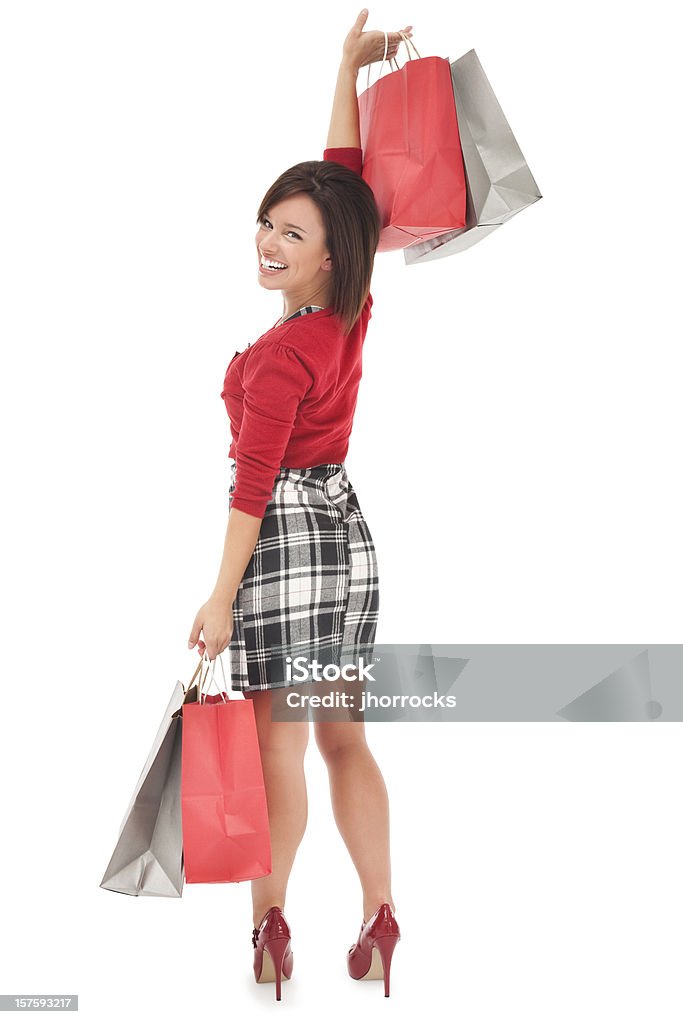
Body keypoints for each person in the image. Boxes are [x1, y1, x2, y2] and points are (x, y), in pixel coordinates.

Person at [187, 10, 414, 1001]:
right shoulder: (347, 313)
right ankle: (379, 915)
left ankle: (269, 929)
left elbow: (249, 485)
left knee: (276, 751)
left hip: (281, 544)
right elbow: (346, 184)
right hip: (346, 541)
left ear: (329, 254)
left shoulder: (285, 356)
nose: (271, 241)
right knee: (343, 738)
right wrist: (342, 70)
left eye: (292, 233)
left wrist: (218, 595)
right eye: (268, 222)